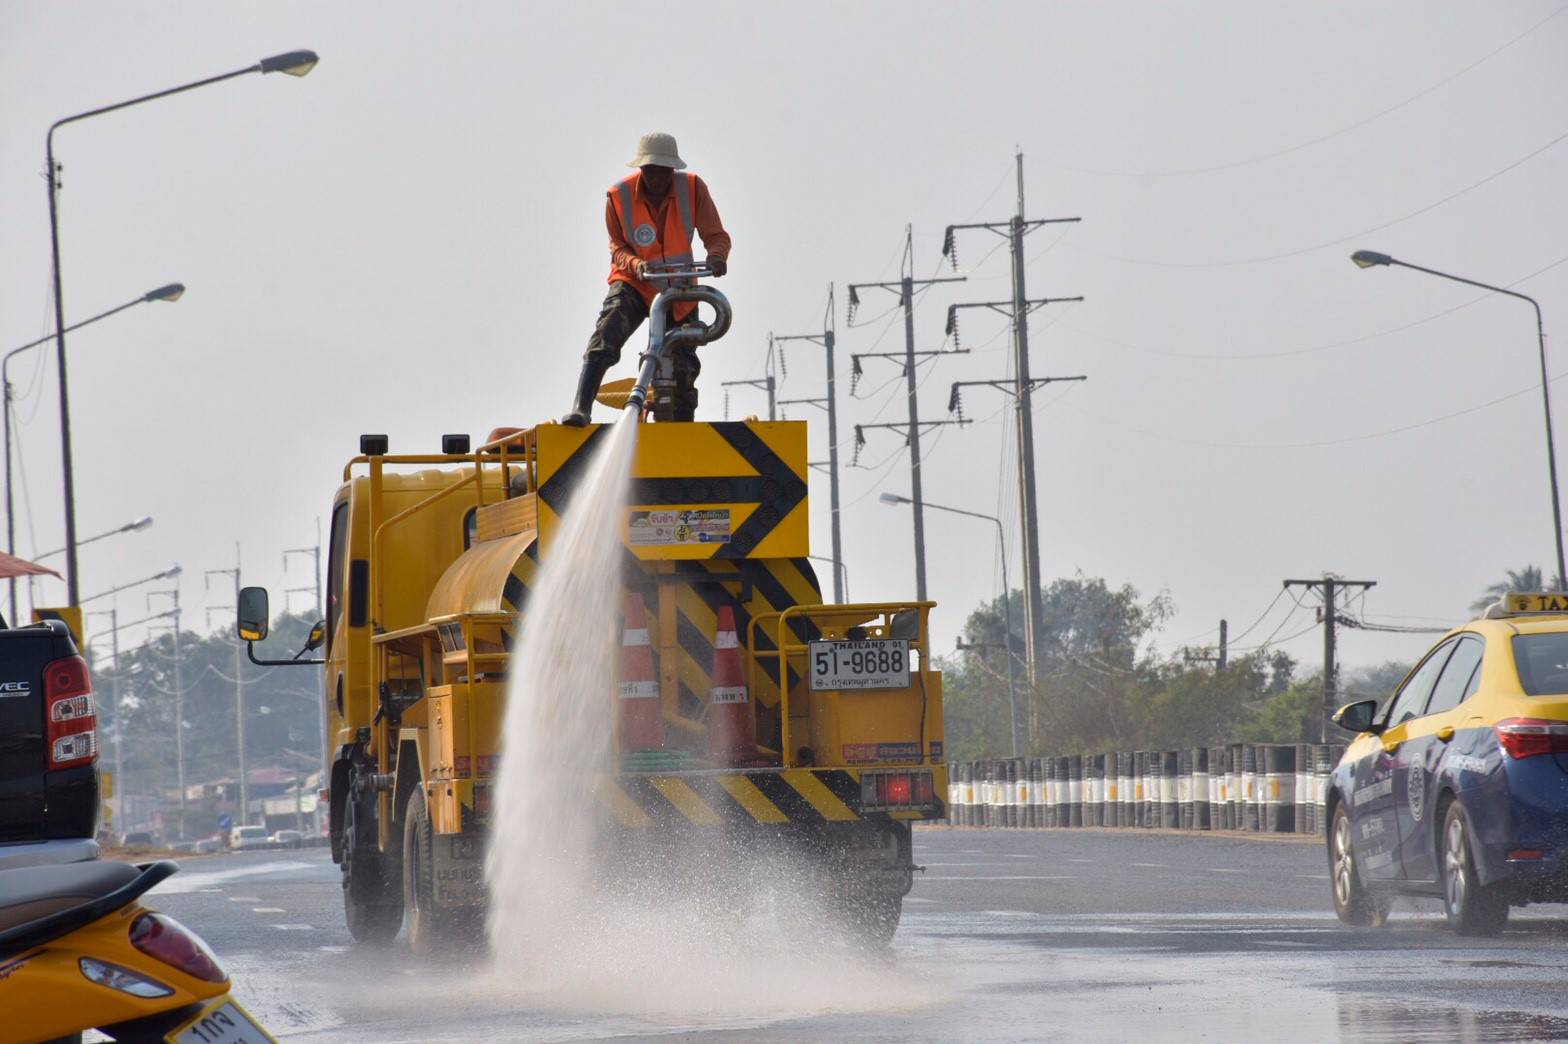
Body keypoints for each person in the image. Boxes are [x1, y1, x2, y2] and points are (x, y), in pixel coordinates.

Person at [562, 132, 731, 426]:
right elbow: (617, 247)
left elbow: (716, 235)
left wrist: (717, 257)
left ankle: (681, 428)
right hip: (635, 282)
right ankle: (581, 408)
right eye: (650, 170)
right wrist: (635, 264)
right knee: (608, 331)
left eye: (663, 171)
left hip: (679, 287)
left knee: (683, 362)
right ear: (641, 168)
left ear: (672, 169)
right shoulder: (619, 196)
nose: (657, 178)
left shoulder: (692, 189)